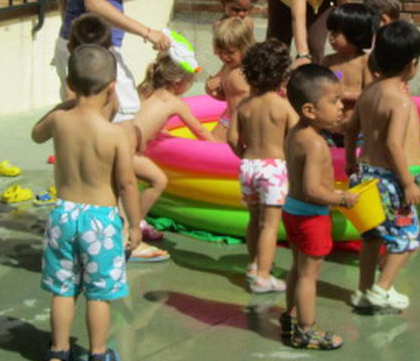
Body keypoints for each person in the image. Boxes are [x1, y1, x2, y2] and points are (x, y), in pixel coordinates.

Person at [32, 45, 141, 361]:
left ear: (70, 84)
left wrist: (64, 104)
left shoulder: (59, 120)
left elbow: (36, 134)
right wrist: (135, 225)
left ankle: (57, 351)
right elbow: (128, 185)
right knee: (99, 293)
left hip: (62, 214)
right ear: (111, 87)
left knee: (63, 288)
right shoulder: (115, 135)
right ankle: (97, 354)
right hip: (100, 221)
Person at [345, 21, 420, 311]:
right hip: (392, 181)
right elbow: (394, 144)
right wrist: (407, 182)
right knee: (408, 239)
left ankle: (363, 290)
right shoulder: (400, 99)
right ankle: (382, 289)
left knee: (371, 237)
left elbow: (350, 129)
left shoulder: (369, 93)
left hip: (366, 176)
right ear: (412, 64)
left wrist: (349, 163)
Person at [281, 63, 356, 350]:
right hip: (311, 216)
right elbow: (313, 190)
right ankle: (306, 330)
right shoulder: (314, 144)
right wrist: (341, 198)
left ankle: (290, 317)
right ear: (310, 110)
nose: (341, 106)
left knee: (297, 269)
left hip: (292, 211)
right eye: (334, 101)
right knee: (309, 275)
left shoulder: (295, 134)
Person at [126, 39, 215, 261]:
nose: (190, 86)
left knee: (129, 189)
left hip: (121, 144)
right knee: (159, 181)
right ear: (178, 83)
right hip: (128, 153)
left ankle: (135, 222)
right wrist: (223, 152)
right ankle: (132, 233)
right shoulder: (175, 103)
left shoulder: (148, 91)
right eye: (190, 81)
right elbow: (200, 131)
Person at [228, 40, 297, 294]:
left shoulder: (243, 106)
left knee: (254, 219)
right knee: (270, 225)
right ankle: (263, 277)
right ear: (282, 76)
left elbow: (232, 138)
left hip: (249, 166)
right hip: (274, 169)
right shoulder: (283, 106)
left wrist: (244, 154)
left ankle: (255, 263)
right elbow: (298, 137)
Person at [205, 16, 254, 143]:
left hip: (247, 122)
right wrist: (211, 89)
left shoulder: (248, 70)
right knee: (210, 146)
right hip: (228, 118)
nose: (225, 57)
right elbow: (227, 95)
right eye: (221, 52)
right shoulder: (225, 68)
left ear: (244, 47)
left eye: (230, 52)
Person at [322, 3, 377, 112]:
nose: (331, 37)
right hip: (332, 123)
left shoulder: (365, 62)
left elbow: (371, 93)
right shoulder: (328, 61)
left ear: (354, 33)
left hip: (356, 122)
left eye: (336, 32)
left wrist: (348, 95)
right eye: (331, 31)